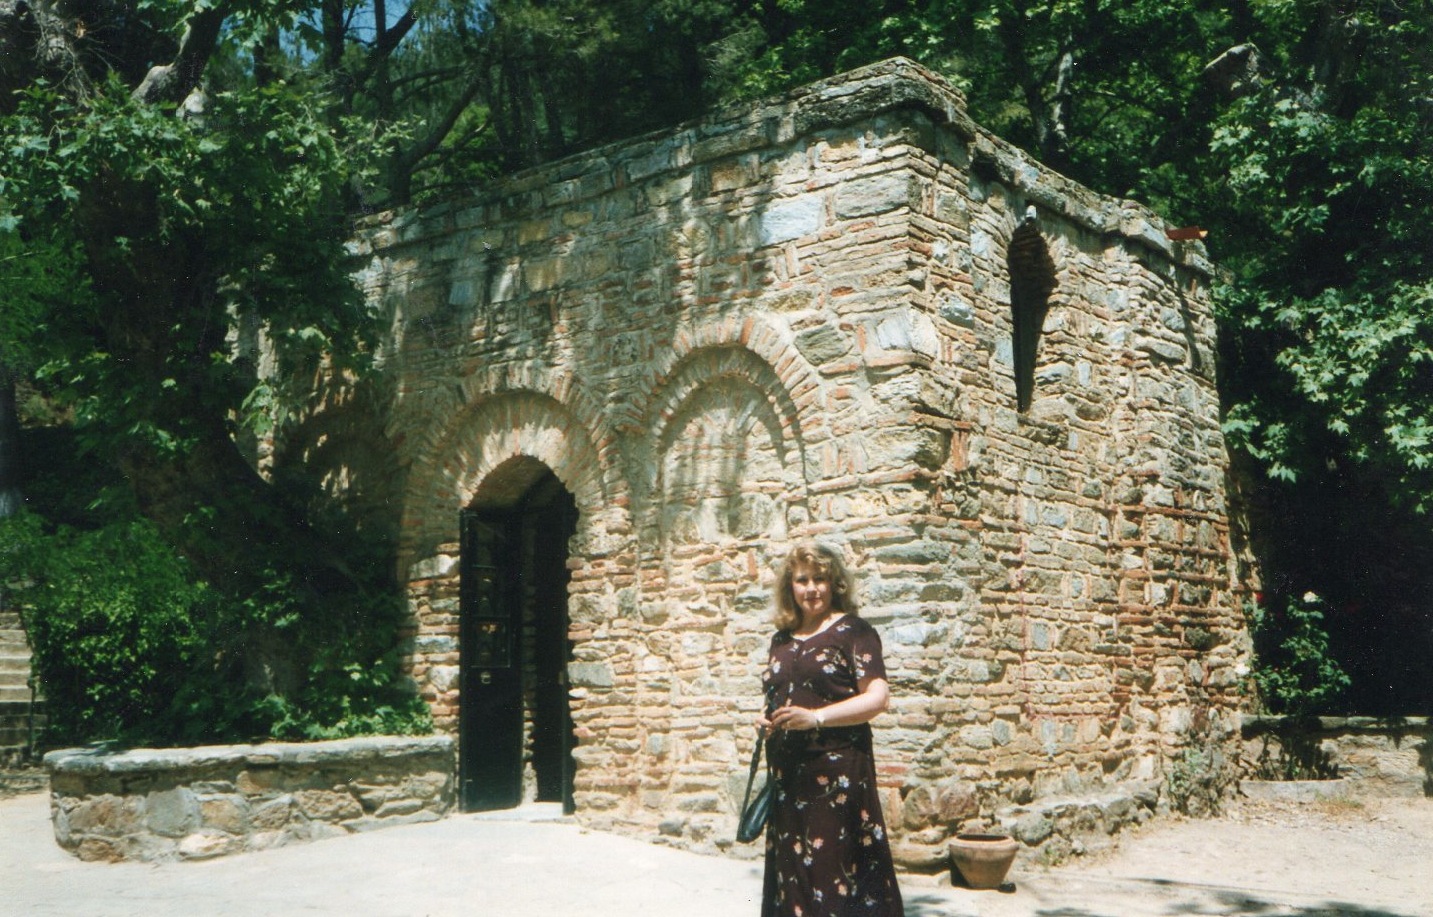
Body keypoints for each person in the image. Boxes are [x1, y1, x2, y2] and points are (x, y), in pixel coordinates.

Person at [755, 542, 904, 917]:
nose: (811, 588)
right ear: (790, 586)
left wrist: (817, 718)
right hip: (789, 780)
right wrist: (766, 720)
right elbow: (780, 695)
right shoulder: (781, 640)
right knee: (793, 879)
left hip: (837, 778)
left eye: (819, 579)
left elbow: (879, 698)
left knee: (833, 876)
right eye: (802, 580)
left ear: (834, 583)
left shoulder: (854, 631)